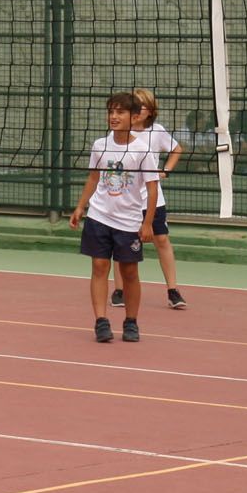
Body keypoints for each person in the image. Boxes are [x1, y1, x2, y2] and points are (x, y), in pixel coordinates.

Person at [69, 91, 160, 345]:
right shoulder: (100, 145)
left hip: (129, 220)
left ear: (134, 117)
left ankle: (131, 322)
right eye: (111, 111)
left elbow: (152, 188)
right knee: (99, 266)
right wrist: (80, 207)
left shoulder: (142, 150)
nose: (113, 116)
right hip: (99, 215)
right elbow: (93, 178)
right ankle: (101, 321)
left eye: (120, 112)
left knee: (129, 271)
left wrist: (148, 222)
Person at [114, 87, 186, 312]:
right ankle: (119, 290)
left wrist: (166, 170)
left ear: (150, 110)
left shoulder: (156, 131)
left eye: (142, 105)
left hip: (152, 198)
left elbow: (177, 149)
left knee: (161, 240)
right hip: (125, 198)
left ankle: (173, 291)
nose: (138, 109)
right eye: (134, 105)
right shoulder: (120, 132)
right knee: (121, 243)